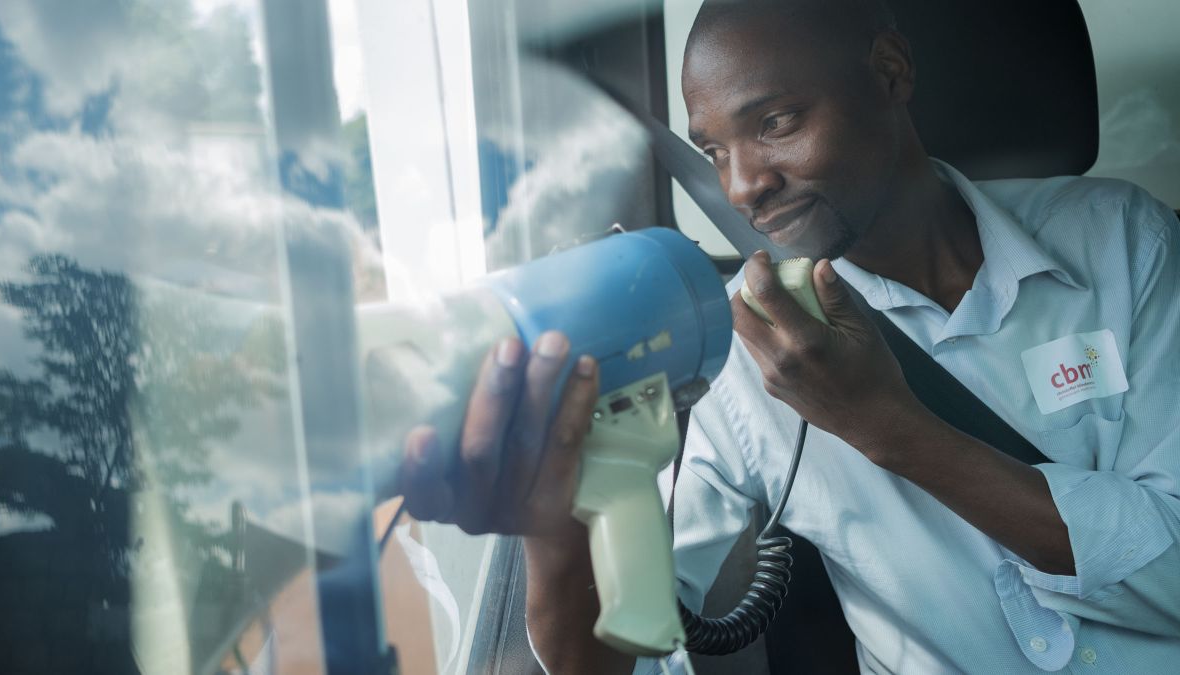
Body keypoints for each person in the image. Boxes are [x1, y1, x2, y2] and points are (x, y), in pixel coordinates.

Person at [399, 0, 1180, 672]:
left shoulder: (1123, 240)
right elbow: (624, 657)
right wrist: (556, 533)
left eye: (774, 122)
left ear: (890, 72)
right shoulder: (733, 343)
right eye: (713, 152)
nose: (743, 186)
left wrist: (888, 428)